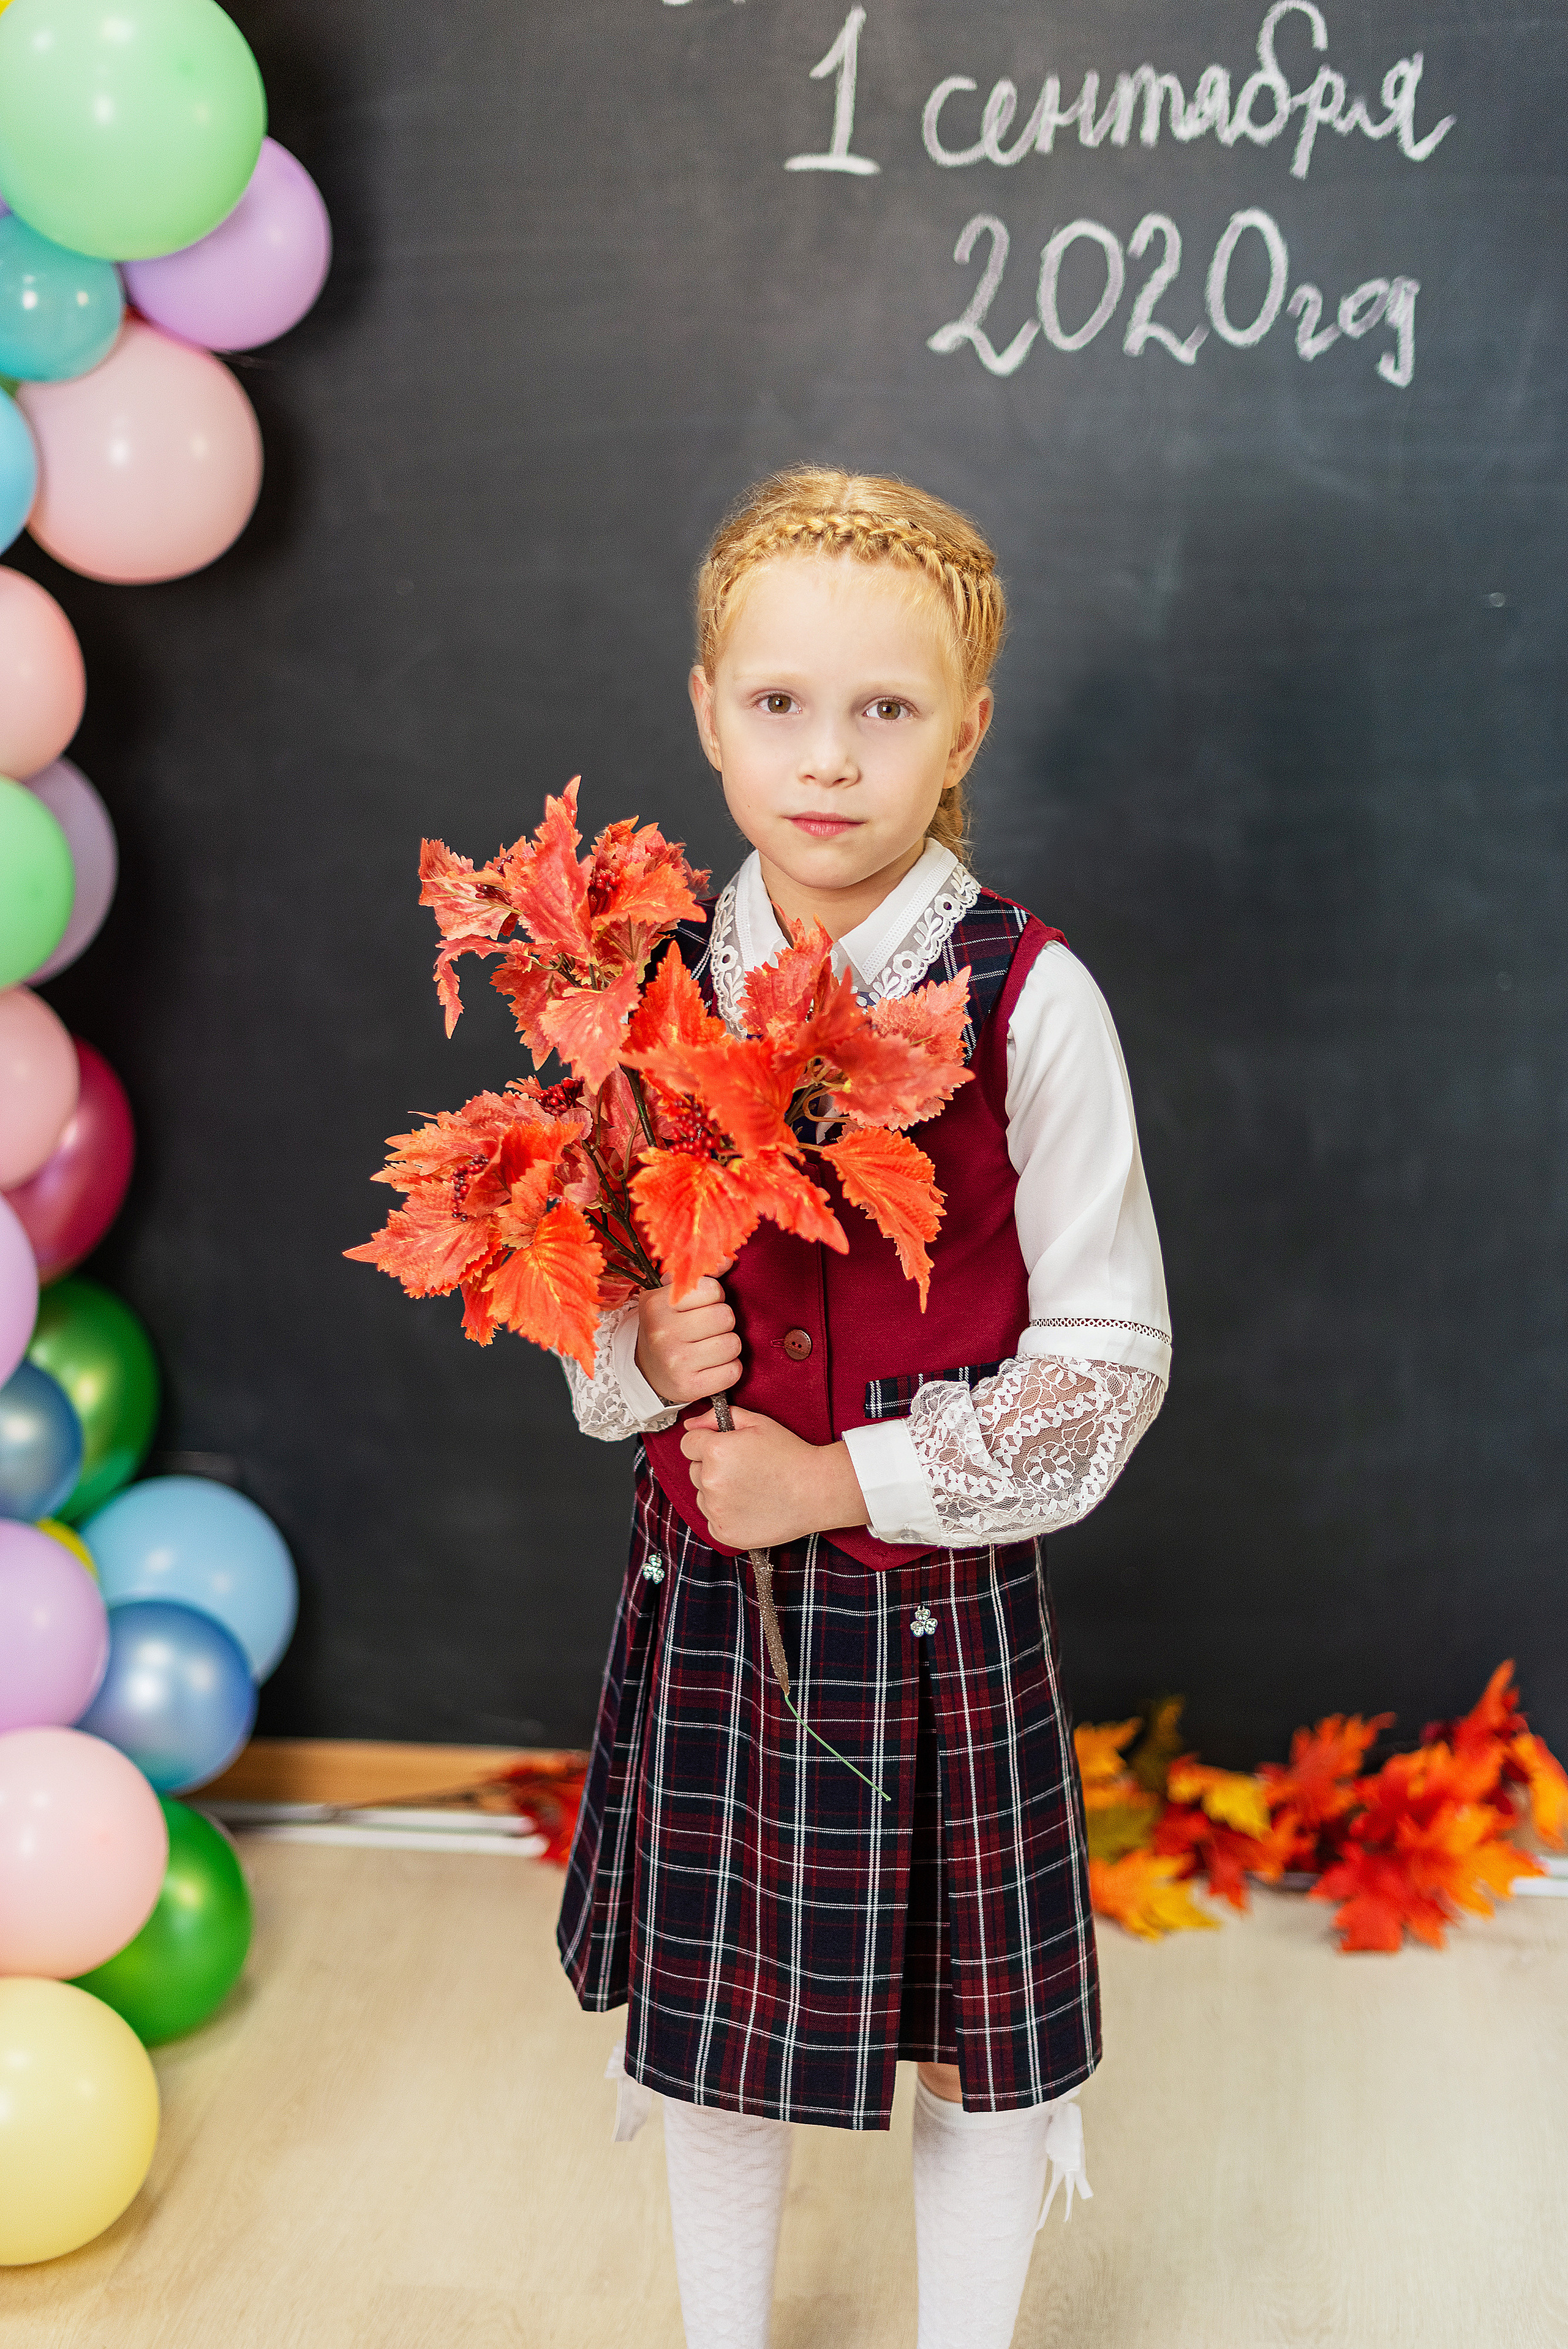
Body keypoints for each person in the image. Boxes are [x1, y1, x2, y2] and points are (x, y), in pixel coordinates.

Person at [556, 467, 1170, 2349]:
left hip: (934, 1603)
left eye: (887, 708)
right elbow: (582, 1296)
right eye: (778, 703)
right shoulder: (642, 991)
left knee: (976, 2033)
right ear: (705, 712)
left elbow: (1108, 1362)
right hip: (713, 1607)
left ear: (966, 728)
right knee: (720, 2014)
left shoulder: (1030, 1002)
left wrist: (842, 1475)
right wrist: (640, 1356)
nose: (828, 758)